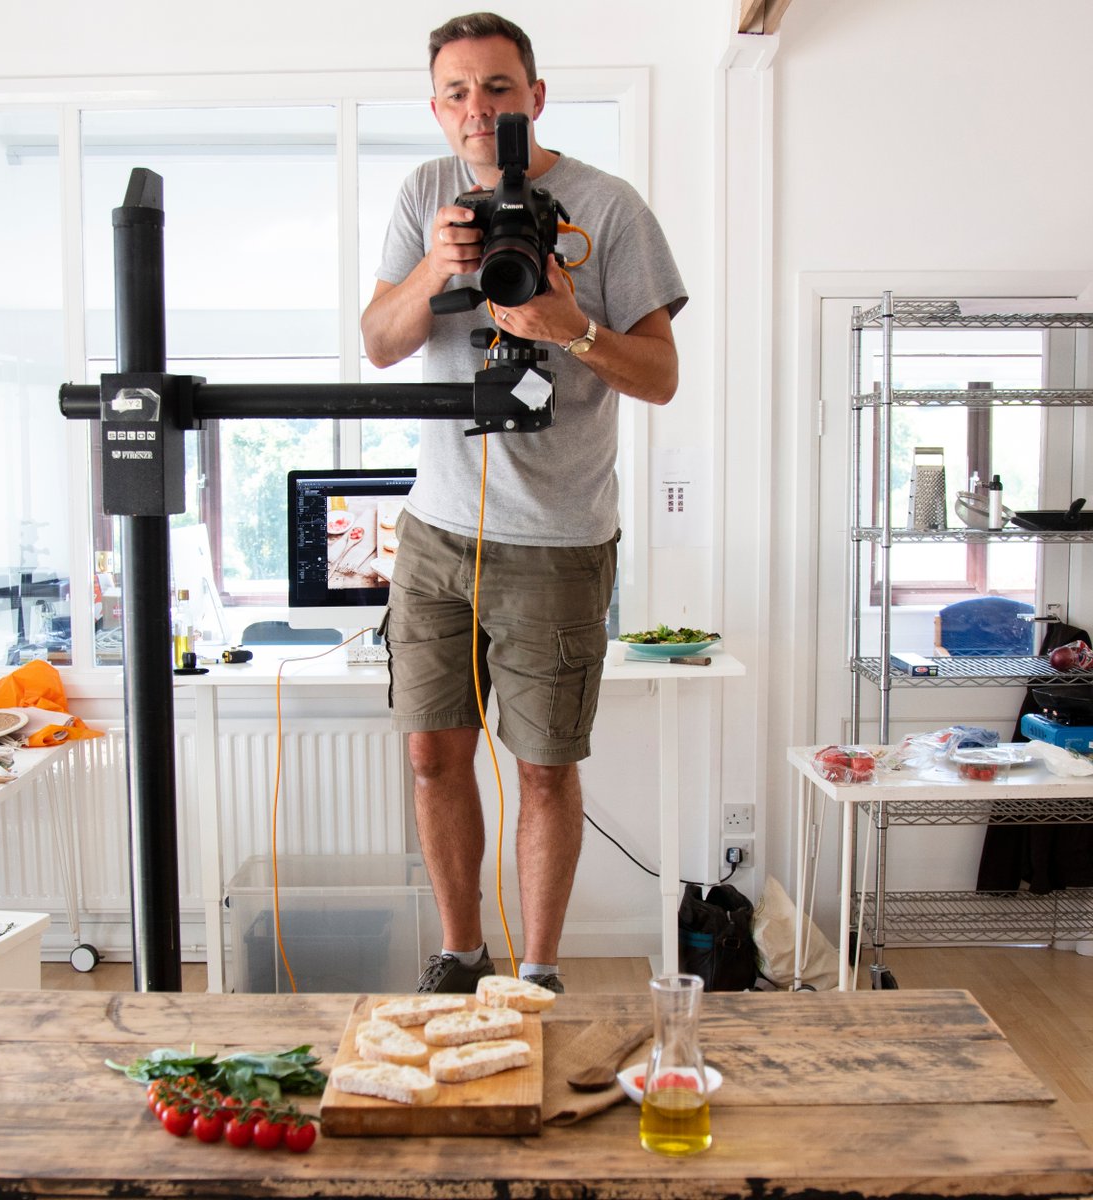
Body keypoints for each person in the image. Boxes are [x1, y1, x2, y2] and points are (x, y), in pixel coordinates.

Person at [361, 11, 686, 994]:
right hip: (435, 534)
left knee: (544, 769)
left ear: (536, 97)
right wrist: (436, 265)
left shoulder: (610, 207)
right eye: (457, 91)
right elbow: (379, 341)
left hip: (556, 542)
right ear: (435, 107)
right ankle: (461, 957)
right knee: (431, 758)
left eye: (497, 88)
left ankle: (537, 976)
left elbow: (661, 376)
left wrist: (572, 326)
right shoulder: (424, 193)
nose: (478, 108)